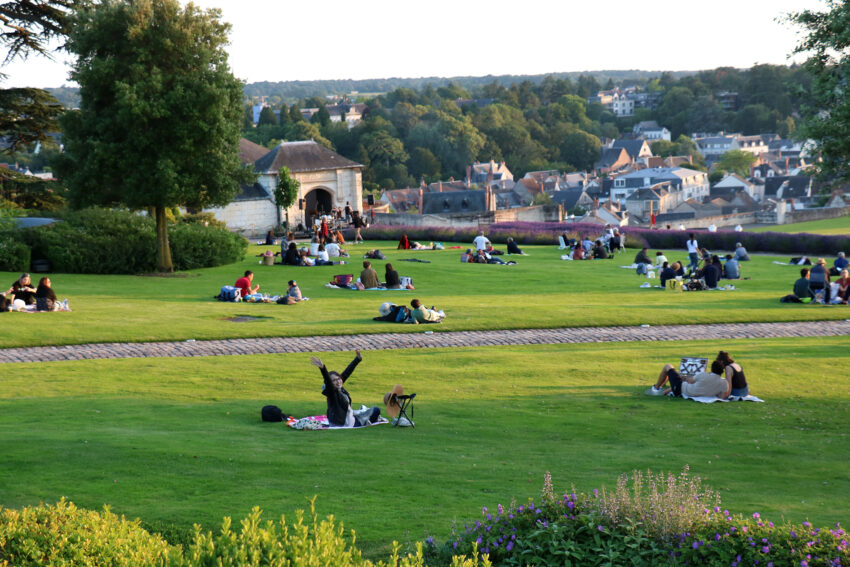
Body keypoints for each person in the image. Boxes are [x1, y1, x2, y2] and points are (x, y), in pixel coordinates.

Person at [312, 350, 380, 428]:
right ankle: (365, 421)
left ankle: (365, 418)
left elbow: (347, 372)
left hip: (348, 418)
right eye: (334, 380)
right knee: (376, 410)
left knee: (367, 411)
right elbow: (328, 382)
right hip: (345, 423)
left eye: (338, 379)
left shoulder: (339, 387)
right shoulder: (332, 393)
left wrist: (357, 359)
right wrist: (323, 369)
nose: (338, 382)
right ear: (331, 384)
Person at [646, 359, 730, 399]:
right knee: (678, 380)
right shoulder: (724, 383)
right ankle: (663, 391)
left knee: (668, 366)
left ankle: (656, 388)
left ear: (711, 369)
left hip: (680, 389)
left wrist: (684, 377)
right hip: (684, 388)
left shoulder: (703, 375)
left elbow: (689, 380)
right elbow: (722, 396)